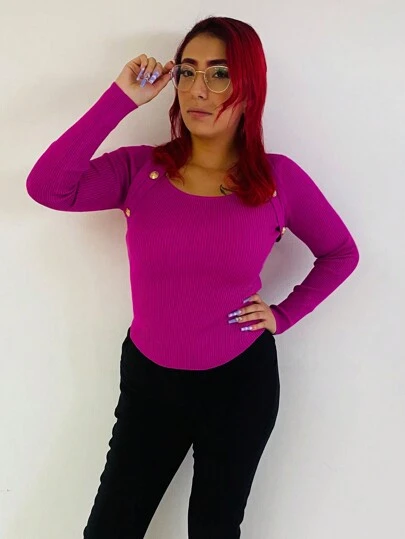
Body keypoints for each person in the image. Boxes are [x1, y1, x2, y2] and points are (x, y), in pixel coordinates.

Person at [26, 15, 360, 539]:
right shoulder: (140, 171)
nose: (197, 89)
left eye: (220, 74)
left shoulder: (278, 181)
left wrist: (283, 314)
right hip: (150, 383)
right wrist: (120, 99)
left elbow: (340, 253)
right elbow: (48, 187)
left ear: (249, 90)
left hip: (238, 384)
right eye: (187, 71)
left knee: (213, 530)